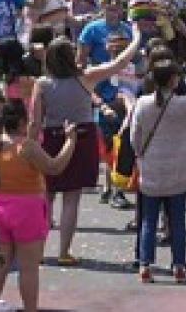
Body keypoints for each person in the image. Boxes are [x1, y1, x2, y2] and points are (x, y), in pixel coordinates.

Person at [34, 30, 141, 265]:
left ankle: (39, 251)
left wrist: (32, 149)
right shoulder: (86, 77)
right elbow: (120, 63)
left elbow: (35, 121)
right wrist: (135, 38)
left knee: (47, 197)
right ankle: (64, 251)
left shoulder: (42, 84)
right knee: (72, 197)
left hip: (52, 138)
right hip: (82, 137)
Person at [0, 99, 78, 312]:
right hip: (28, 209)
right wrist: (70, 141)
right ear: (23, 120)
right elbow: (54, 167)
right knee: (29, 268)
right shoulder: (27, 146)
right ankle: (30, 309)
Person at [130, 59, 186, 283]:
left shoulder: (142, 103)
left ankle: (145, 265)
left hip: (151, 169)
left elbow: (134, 138)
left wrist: (142, 154)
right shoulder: (183, 104)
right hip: (179, 170)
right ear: (174, 80)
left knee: (148, 220)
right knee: (177, 220)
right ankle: (178, 265)